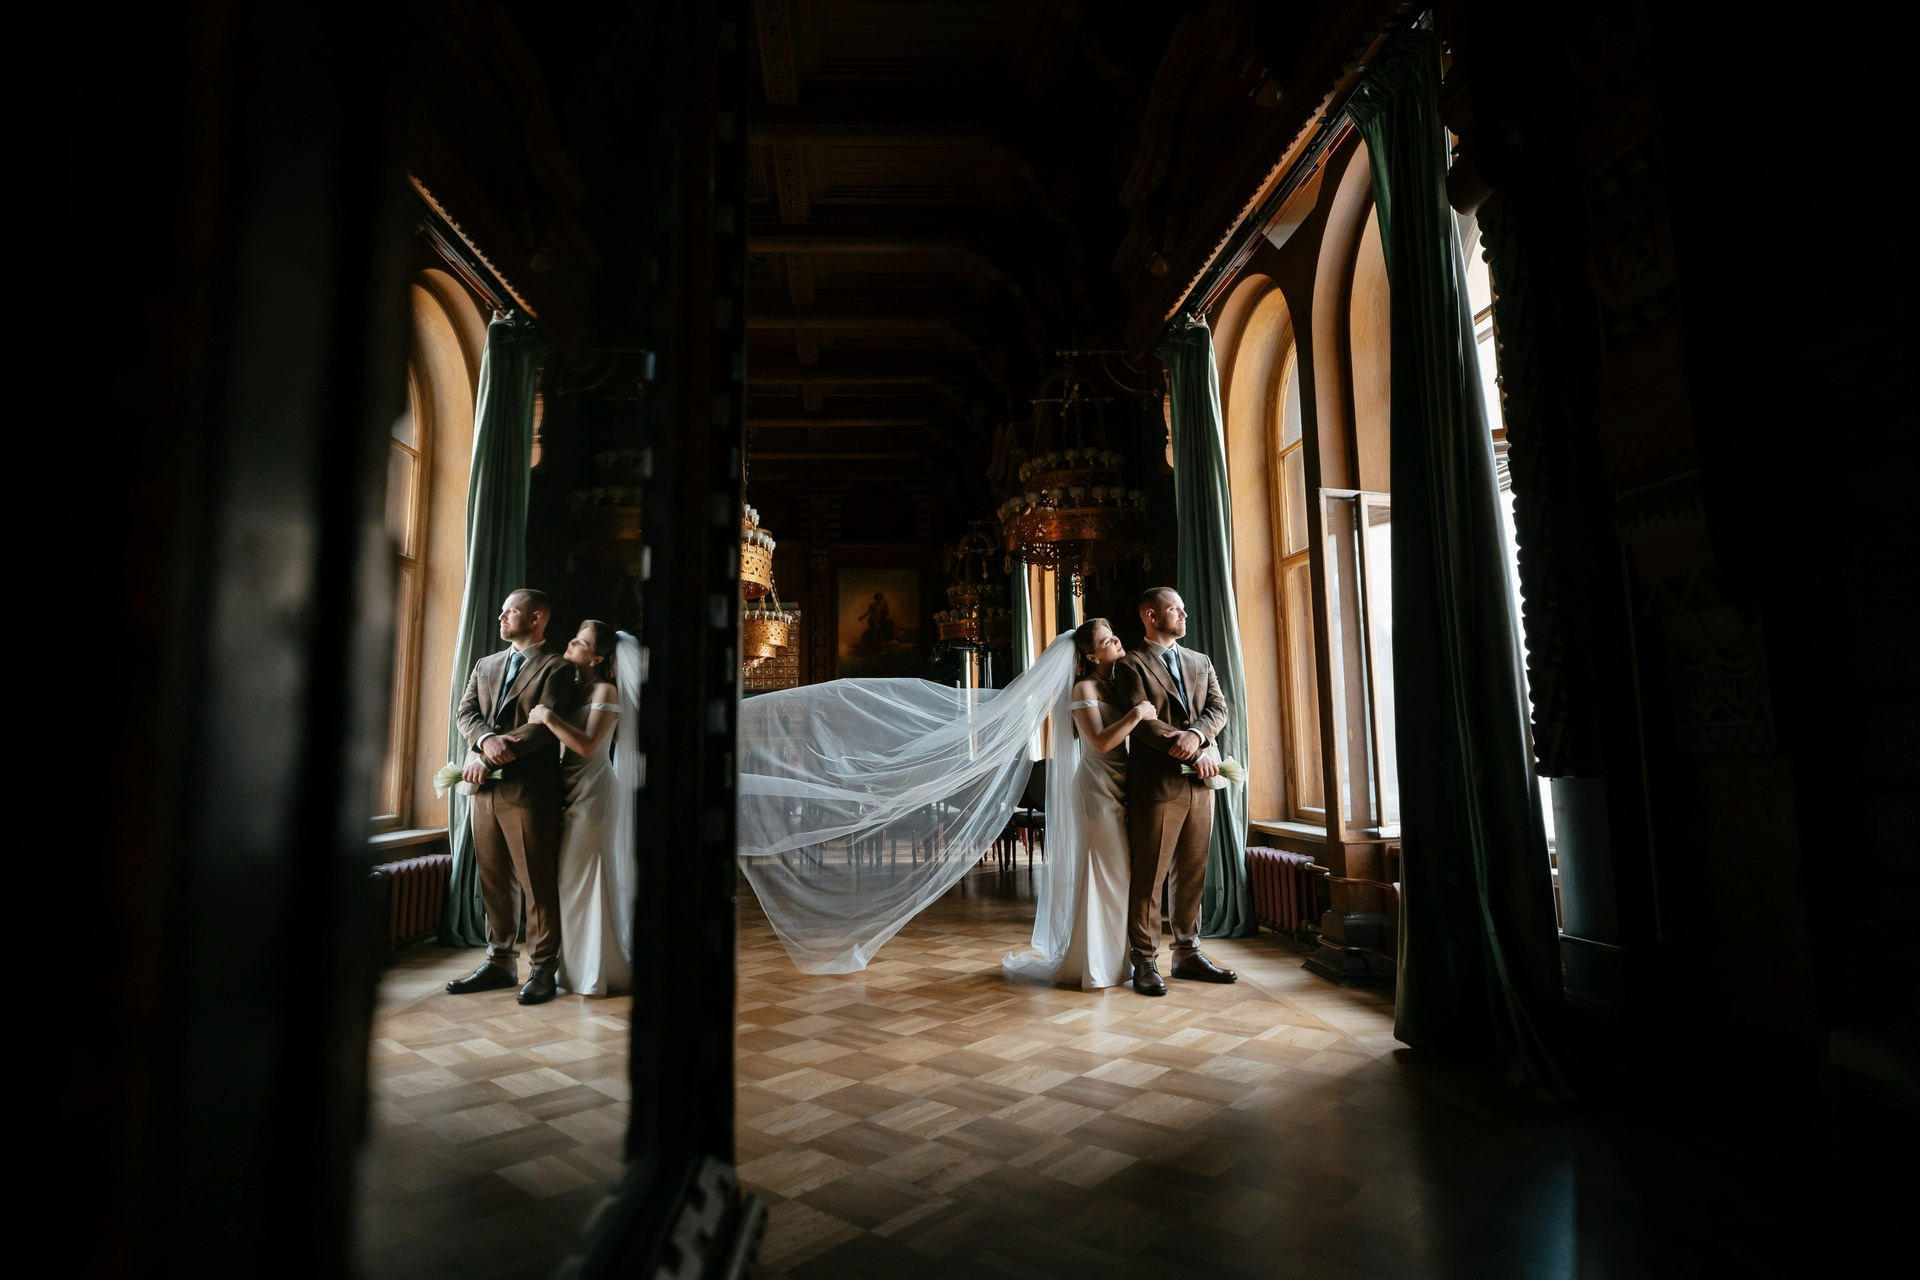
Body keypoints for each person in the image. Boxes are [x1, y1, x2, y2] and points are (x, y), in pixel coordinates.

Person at [1005, 618, 1157, 989]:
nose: (1117, 639)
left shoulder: (1115, 681)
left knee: (1122, 877)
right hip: (1096, 789)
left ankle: (1120, 961)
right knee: (1110, 873)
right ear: (1091, 655)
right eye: (1108, 639)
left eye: (1113, 634)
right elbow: (1102, 742)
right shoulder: (1083, 688)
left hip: (1123, 785)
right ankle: (1097, 964)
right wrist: (1137, 715)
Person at [445, 589, 578, 1005]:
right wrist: (485, 741)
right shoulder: (485, 664)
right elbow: (465, 713)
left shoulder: (558, 667)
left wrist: (500, 749)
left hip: (530, 790)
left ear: (537, 617)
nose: (501, 616)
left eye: (511, 611)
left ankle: (542, 969)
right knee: (494, 880)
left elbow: (543, 727)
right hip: (482, 787)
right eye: (501, 610)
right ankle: (500, 962)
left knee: (536, 882)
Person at [1108, 587, 1239, 997]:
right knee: (1150, 876)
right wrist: (1185, 744)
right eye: (1174, 609)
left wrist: (1198, 736)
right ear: (1151, 615)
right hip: (1157, 784)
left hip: (1202, 781)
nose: (1184, 615)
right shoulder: (1130, 665)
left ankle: (1187, 953)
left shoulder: (1201, 661)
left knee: (1193, 871)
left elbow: (1219, 708)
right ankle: (1144, 961)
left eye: (1183, 608)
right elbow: (1143, 724)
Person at [528, 620, 636, 997]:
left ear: (599, 656)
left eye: (580, 642)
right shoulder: (575, 687)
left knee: (582, 878)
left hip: (593, 792)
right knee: (568, 881)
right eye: (573, 639)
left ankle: (596, 971)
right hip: (569, 789)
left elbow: (588, 745)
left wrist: (547, 717)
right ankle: (572, 970)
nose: (570, 644)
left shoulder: (606, 688)